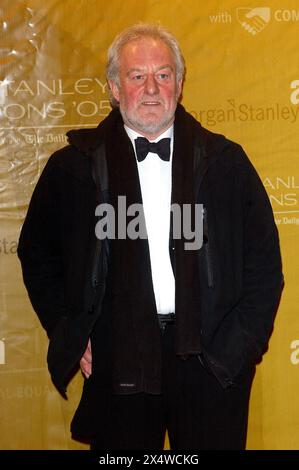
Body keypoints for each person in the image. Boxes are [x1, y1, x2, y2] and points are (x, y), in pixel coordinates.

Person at [18, 22, 283, 450]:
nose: (151, 87)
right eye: (136, 76)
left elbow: (265, 266)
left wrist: (239, 346)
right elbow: (37, 254)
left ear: (179, 84)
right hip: (117, 356)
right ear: (114, 87)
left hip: (210, 361)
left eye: (163, 74)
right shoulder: (74, 169)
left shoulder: (225, 164)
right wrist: (69, 329)